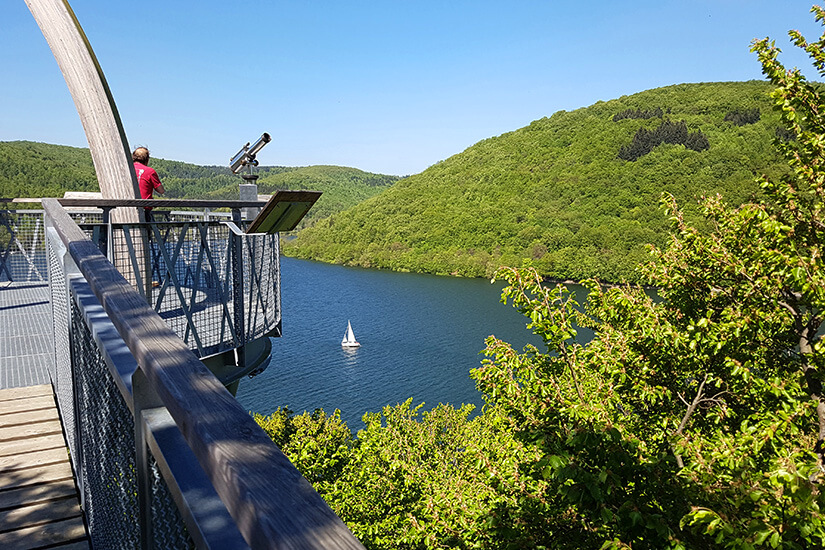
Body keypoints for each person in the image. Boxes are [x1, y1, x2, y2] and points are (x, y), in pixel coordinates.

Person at [132, 146, 165, 221]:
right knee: (146, 231)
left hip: (125, 208)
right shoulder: (150, 172)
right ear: (147, 159)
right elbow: (161, 190)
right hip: (144, 209)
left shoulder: (126, 169)